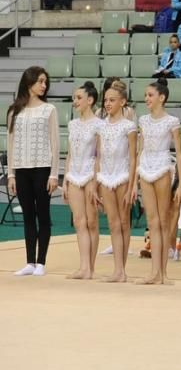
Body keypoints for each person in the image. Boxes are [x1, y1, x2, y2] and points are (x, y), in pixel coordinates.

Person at [7, 67, 58, 277]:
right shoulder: (14, 111)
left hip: (42, 168)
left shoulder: (49, 109)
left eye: (45, 82)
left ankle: (41, 262)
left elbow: (54, 143)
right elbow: (10, 143)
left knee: (43, 215)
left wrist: (54, 174)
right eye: (40, 81)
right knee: (28, 215)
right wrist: (11, 174)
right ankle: (29, 261)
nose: (44, 85)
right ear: (29, 83)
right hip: (21, 169)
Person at [135, 80, 181, 286]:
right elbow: (140, 148)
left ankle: (163, 272)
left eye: (151, 95)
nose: (147, 99)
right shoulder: (143, 120)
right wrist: (136, 173)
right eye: (146, 95)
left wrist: (180, 183)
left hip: (163, 167)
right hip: (145, 166)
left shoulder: (172, 121)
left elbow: (180, 153)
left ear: (161, 97)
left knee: (163, 221)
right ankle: (154, 271)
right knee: (152, 221)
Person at [94, 79, 138, 283]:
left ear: (123, 102)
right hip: (105, 176)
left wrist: (131, 185)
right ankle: (117, 269)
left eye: (112, 100)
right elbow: (98, 155)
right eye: (105, 100)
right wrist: (95, 183)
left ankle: (123, 270)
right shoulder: (101, 126)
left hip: (122, 176)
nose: (107, 104)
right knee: (113, 224)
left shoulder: (129, 127)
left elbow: (133, 157)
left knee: (123, 222)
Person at [64, 82, 102, 280]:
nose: (75, 102)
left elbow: (99, 155)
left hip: (89, 174)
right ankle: (83, 266)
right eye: (73, 98)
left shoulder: (99, 125)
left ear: (90, 100)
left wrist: (95, 181)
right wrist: (65, 180)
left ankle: (91, 268)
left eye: (78, 98)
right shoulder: (72, 124)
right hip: (74, 173)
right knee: (79, 222)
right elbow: (70, 154)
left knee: (92, 222)